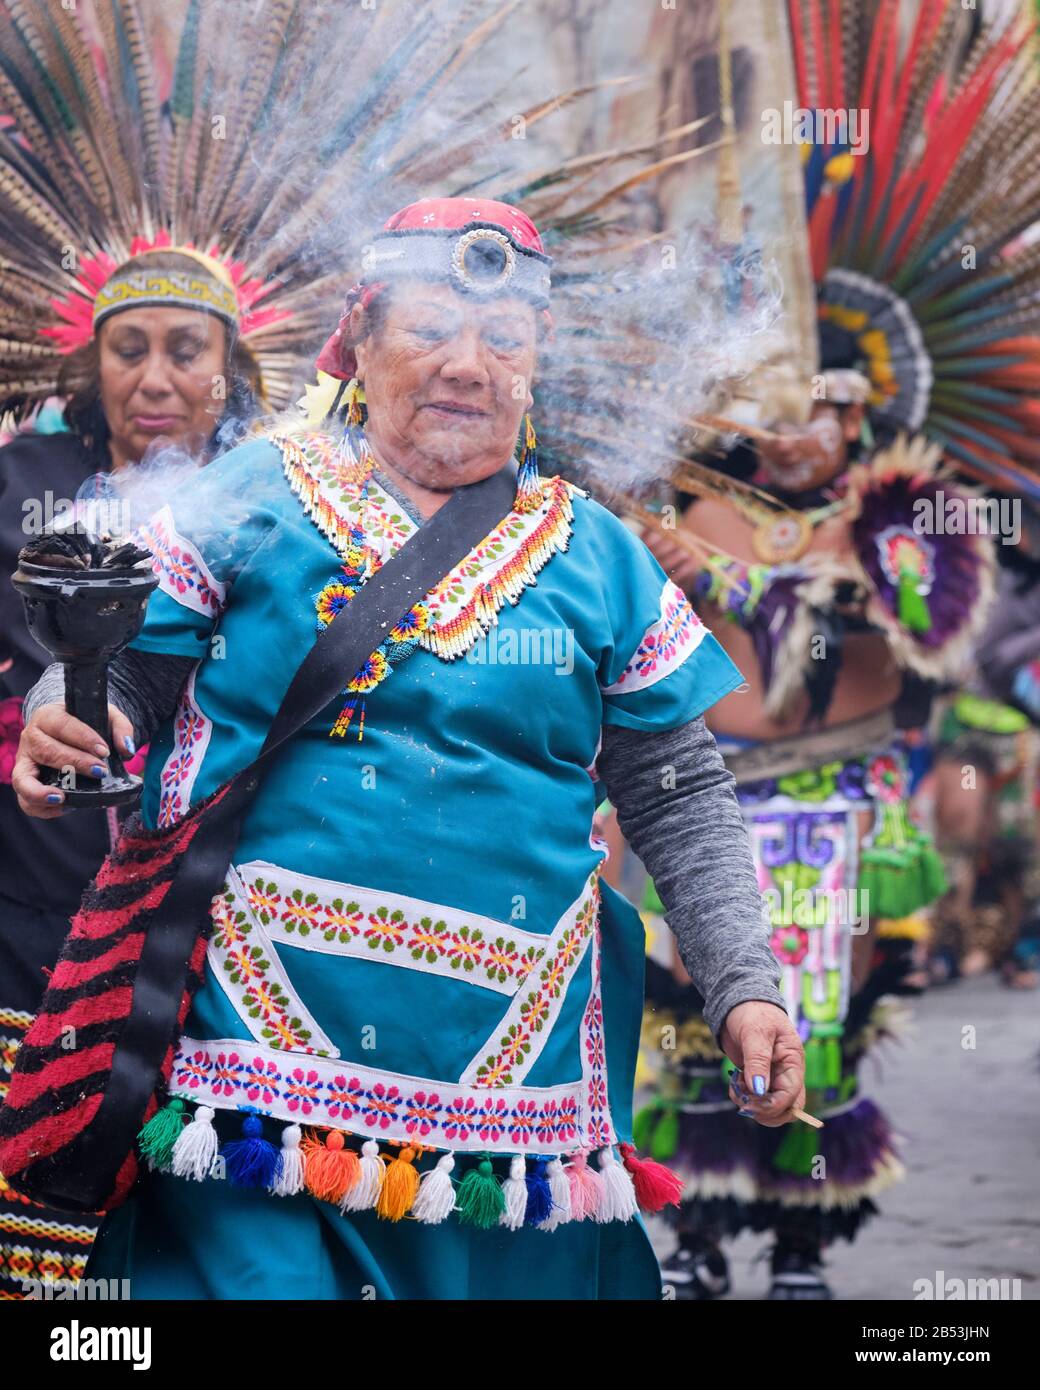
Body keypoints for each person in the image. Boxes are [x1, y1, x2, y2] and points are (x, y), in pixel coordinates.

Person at [12, 196, 807, 1301]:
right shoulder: (255, 494)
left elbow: (675, 795)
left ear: (537, 363)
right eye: (429, 329)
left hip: (511, 1075)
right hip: (258, 1057)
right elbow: (129, 673)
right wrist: (71, 715)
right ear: (363, 340)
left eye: (505, 340)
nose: (467, 366)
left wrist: (743, 985)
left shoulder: (599, 556)